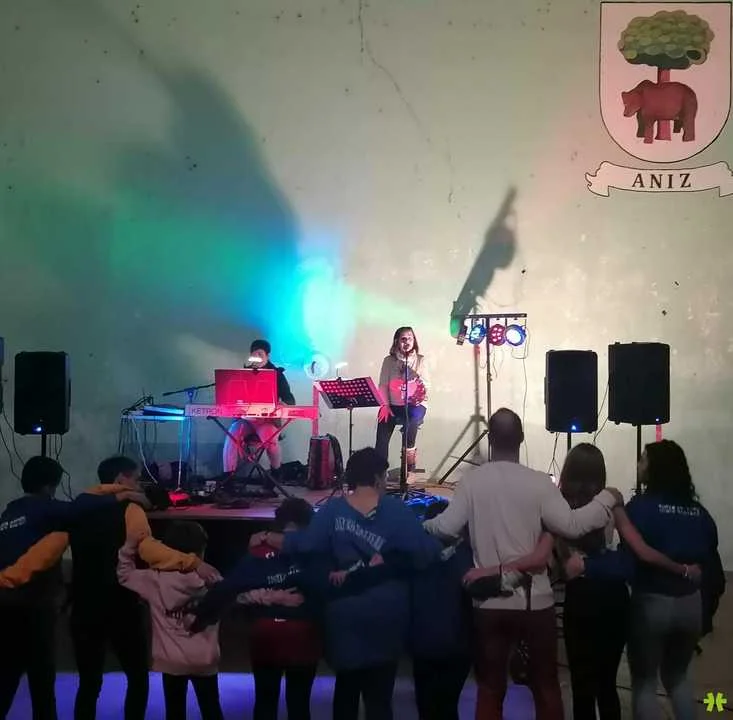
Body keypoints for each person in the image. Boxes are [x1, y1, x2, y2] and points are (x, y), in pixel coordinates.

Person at [423, 408, 624, 720]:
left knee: (490, 688)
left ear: (490, 439)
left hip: (489, 602)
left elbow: (446, 528)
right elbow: (572, 526)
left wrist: (423, 526)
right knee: (545, 686)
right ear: (521, 438)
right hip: (535, 602)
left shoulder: (472, 482)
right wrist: (608, 498)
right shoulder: (540, 483)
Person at [253, 447, 442, 720]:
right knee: (380, 698)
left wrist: (266, 537)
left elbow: (305, 544)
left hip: (344, 612)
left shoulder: (333, 510)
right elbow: (425, 552)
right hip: (388, 613)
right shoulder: (397, 511)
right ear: (377, 478)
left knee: (346, 692)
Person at [567, 441, 720, 720]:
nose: (638, 465)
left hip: (652, 603)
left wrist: (588, 566)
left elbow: (629, 561)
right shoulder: (701, 514)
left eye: (643, 460)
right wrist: (706, 610)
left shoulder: (640, 508)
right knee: (678, 679)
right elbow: (714, 571)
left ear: (655, 468)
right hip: (691, 605)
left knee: (645, 683)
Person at [69, 456, 216, 720]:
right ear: (120, 479)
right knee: (137, 677)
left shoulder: (81, 506)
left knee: (89, 681)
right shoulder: (131, 510)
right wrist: (191, 561)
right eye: (136, 479)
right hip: (120, 603)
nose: (139, 485)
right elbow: (146, 548)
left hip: (83, 600)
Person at [0, 457, 144, 720]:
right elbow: (82, 504)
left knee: (9, 673)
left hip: (7, 602)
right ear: (49, 487)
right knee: (42, 677)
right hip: (34, 605)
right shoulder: (46, 508)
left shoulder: (9, 513)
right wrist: (124, 494)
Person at [118, 521, 223, 720]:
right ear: (201, 550)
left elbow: (124, 574)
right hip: (204, 660)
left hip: (170, 661)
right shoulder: (213, 579)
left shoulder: (154, 580)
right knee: (211, 710)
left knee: (174, 713)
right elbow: (235, 597)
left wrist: (130, 545)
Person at [223, 339, 296, 476]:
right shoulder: (243, 373)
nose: (257, 357)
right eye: (254, 354)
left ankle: (276, 473)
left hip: (267, 421)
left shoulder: (277, 374)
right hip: (246, 420)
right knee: (232, 435)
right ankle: (228, 476)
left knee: (270, 441)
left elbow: (289, 398)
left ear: (267, 356)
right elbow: (234, 396)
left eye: (260, 354)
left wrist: (284, 404)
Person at [375, 326, 429, 472]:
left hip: (415, 404)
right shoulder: (388, 361)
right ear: (397, 342)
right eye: (403, 339)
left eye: (410, 338)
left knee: (413, 418)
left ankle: (409, 466)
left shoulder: (421, 360)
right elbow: (383, 385)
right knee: (382, 426)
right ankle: (379, 471)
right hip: (393, 404)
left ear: (414, 341)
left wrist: (413, 381)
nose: (407, 342)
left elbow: (426, 385)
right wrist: (385, 406)